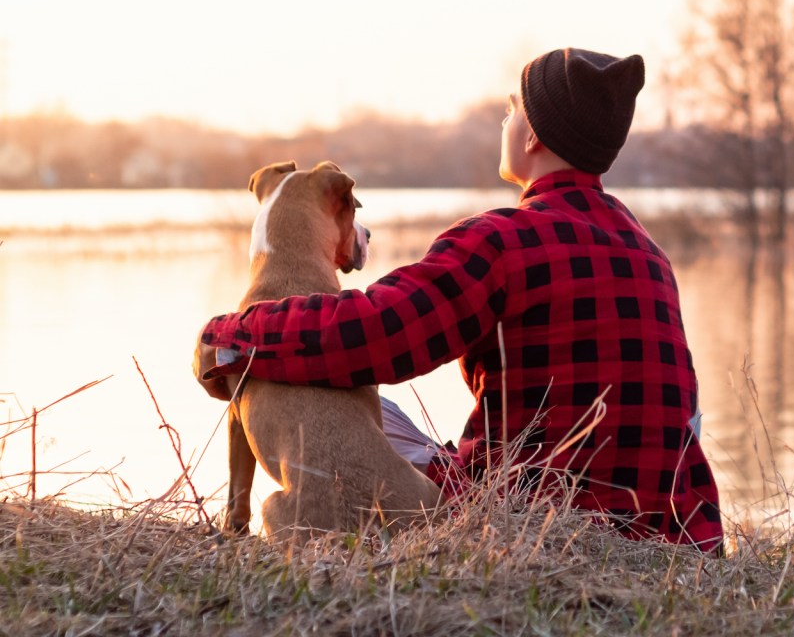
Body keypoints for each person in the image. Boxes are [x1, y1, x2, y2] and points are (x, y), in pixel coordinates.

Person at [194, 48, 722, 551]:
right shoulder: (648, 251)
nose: (503, 121)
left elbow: (373, 336)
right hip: (671, 529)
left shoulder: (499, 241)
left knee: (376, 410)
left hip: (525, 516)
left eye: (511, 110)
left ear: (534, 134)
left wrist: (231, 336)